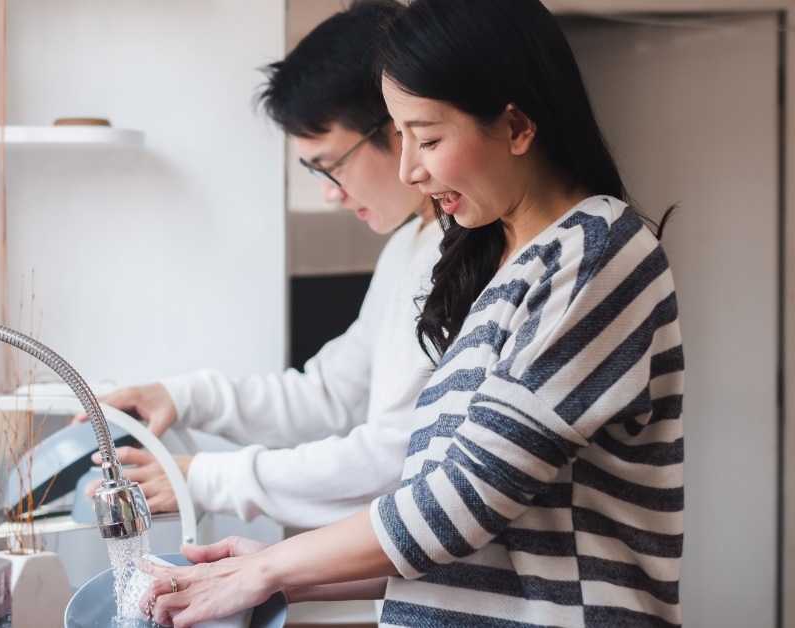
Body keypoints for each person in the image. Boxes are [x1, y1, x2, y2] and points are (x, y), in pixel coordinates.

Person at [140, 0, 684, 626]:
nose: (409, 169)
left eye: (426, 139)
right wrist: (280, 574)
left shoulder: (594, 251)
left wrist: (268, 567)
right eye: (400, 139)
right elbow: (460, 531)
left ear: (516, 126)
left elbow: (463, 502)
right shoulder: (487, 263)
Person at [79, 0, 442, 529]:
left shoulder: (463, 258)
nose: (328, 193)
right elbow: (330, 396)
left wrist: (205, 478)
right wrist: (183, 395)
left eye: (331, 165)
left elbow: (393, 459)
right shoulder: (409, 246)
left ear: (400, 123)